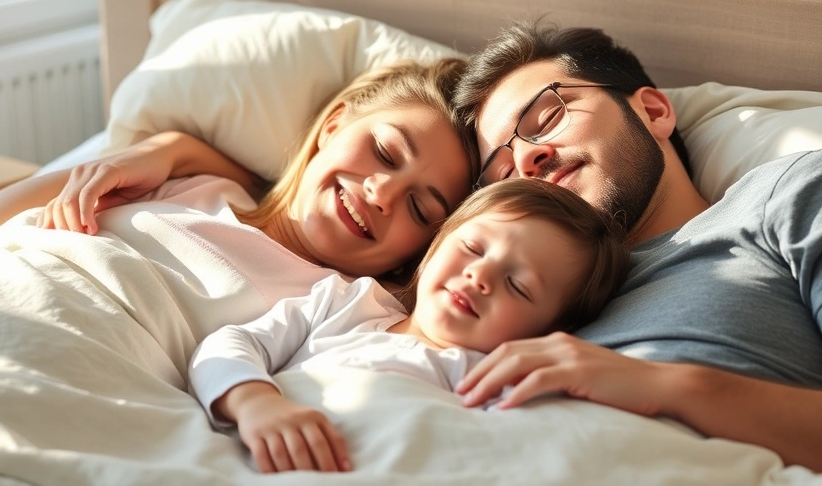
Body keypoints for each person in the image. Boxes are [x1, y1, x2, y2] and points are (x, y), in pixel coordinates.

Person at [450, 23, 822, 486]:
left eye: (546, 119)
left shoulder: (793, 193)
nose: (526, 160)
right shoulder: (506, 296)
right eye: (504, 173)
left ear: (654, 111)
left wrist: (671, 387)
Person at [188, 178, 629, 474]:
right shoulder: (346, 304)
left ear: (549, 331)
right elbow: (230, 344)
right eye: (473, 248)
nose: (480, 276)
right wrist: (255, 403)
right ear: (437, 243)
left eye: (518, 285)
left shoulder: (492, 381)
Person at [0, 59, 478, 287]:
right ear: (333, 126)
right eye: (384, 152)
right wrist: (163, 150)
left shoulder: (340, 308)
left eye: (420, 209)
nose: (383, 193)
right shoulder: (187, 183)